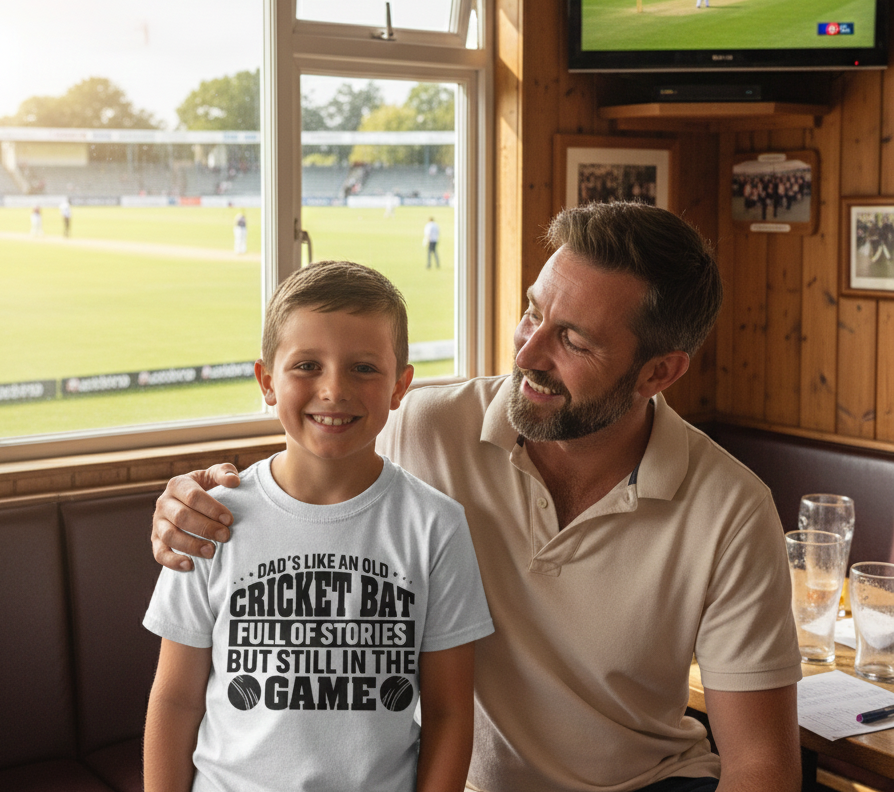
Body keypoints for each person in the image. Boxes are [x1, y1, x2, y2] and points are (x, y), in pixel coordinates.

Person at [151, 203, 802, 792]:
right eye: (532, 311)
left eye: (572, 339)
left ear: (658, 372)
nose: (528, 349)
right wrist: (195, 495)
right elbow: (308, 458)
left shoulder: (733, 509)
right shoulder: (424, 425)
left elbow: (761, 765)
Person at [143, 261, 493, 792]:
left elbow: (448, 713)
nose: (333, 390)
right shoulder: (209, 519)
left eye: (364, 369)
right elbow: (175, 700)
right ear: (266, 381)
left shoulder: (436, 527)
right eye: (307, 365)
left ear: (400, 386)